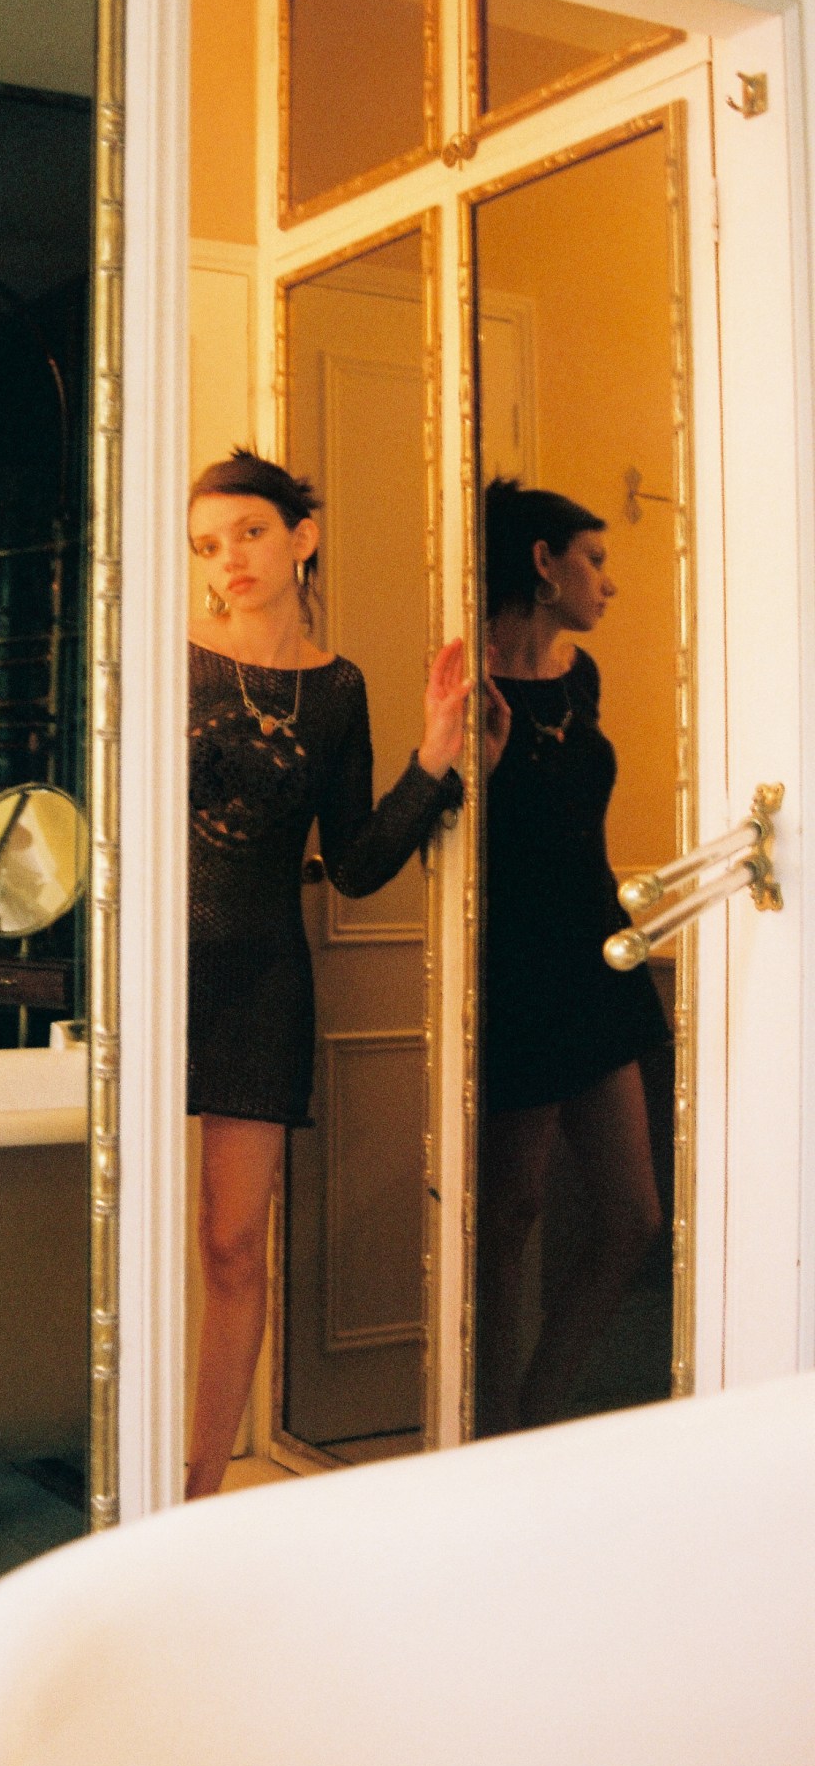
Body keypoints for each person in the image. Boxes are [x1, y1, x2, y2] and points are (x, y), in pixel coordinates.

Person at [185, 448, 476, 1499]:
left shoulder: (337, 687)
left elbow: (352, 865)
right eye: (209, 544)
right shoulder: (164, 657)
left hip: (260, 982)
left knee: (231, 1246)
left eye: (250, 532)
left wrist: (432, 758)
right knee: (104, 1231)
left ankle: (195, 1494)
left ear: (299, 535)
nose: (231, 559)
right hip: (155, 975)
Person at [478, 478, 670, 1436]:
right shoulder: (467, 684)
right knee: (507, 1219)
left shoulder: (580, 678)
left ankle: (538, 1406)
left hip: (599, 961)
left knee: (634, 1216)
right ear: (542, 563)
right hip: (516, 972)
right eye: (593, 558)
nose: (608, 581)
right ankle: (488, 1433)